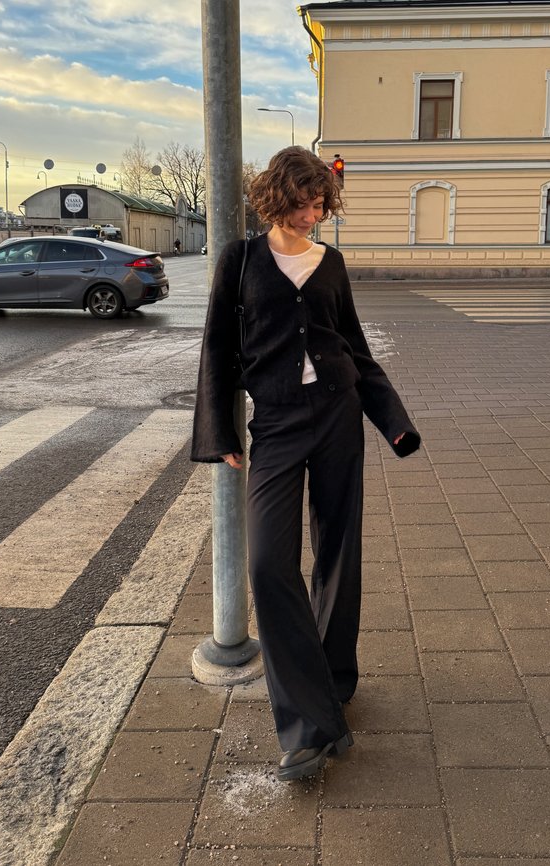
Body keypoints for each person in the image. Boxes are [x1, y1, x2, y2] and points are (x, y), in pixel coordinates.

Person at [191, 146, 420, 781]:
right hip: (279, 426)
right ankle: (309, 717)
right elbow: (217, 347)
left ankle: (332, 685)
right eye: (300, 203)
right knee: (269, 564)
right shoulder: (239, 261)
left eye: (319, 204)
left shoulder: (332, 263)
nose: (311, 215)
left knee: (339, 552)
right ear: (274, 199)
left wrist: (393, 422)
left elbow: (354, 347)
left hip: (340, 417)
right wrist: (218, 429)